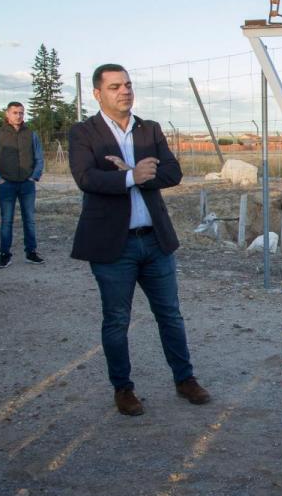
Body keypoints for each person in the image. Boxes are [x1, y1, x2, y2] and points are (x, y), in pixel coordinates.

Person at [68, 64, 210, 417]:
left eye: (128, 85)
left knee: (171, 316)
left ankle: (185, 379)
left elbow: (172, 172)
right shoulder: (84, 132)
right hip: (112, 246)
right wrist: (131, 177)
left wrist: (137, 176)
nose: (125, 91)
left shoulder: (150, 130)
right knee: (116, 320)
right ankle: (123, 388)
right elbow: (86, 178)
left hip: (155, 241)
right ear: (98, 94)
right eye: (115, 86)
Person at [0, 102, 46, 268]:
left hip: (27, 184)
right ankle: (5, 254)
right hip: (7, 184)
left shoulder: (31, 134)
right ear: (7, 114)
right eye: (15, 112)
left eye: (21, 113)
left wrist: (35, 176)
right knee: (7, 221)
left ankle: (31, 253)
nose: (18, 116)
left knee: (30, 220)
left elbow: (40, 158)